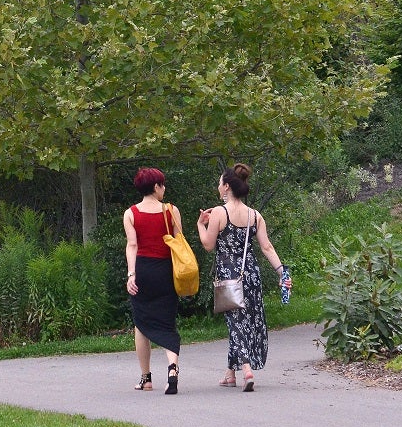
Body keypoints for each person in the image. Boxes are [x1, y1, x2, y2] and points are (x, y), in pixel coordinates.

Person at [196, 163, 291, 392]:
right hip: (251, 273)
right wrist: (282, 273)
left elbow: (208, 245)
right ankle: (230, 373)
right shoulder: (254, 215)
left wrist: (201, 225)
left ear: (227, 186)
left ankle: (246, 369)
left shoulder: (220, 212)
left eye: (220, 183)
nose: (218, 187)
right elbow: (267, 247)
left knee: (235, 321)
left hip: (229, 275)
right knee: (242, 320)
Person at [123, 167, 182, 394]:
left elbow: (132, 245)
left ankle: (146, 378)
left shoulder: (131, 213)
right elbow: (178, 243)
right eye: (162, 185)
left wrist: (131, 274)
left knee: (141, 323)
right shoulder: (171, 211)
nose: (164, 188)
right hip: (166, 270)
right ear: (156, 187)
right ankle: (173, 368)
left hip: (143, 271)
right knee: (167, 322)